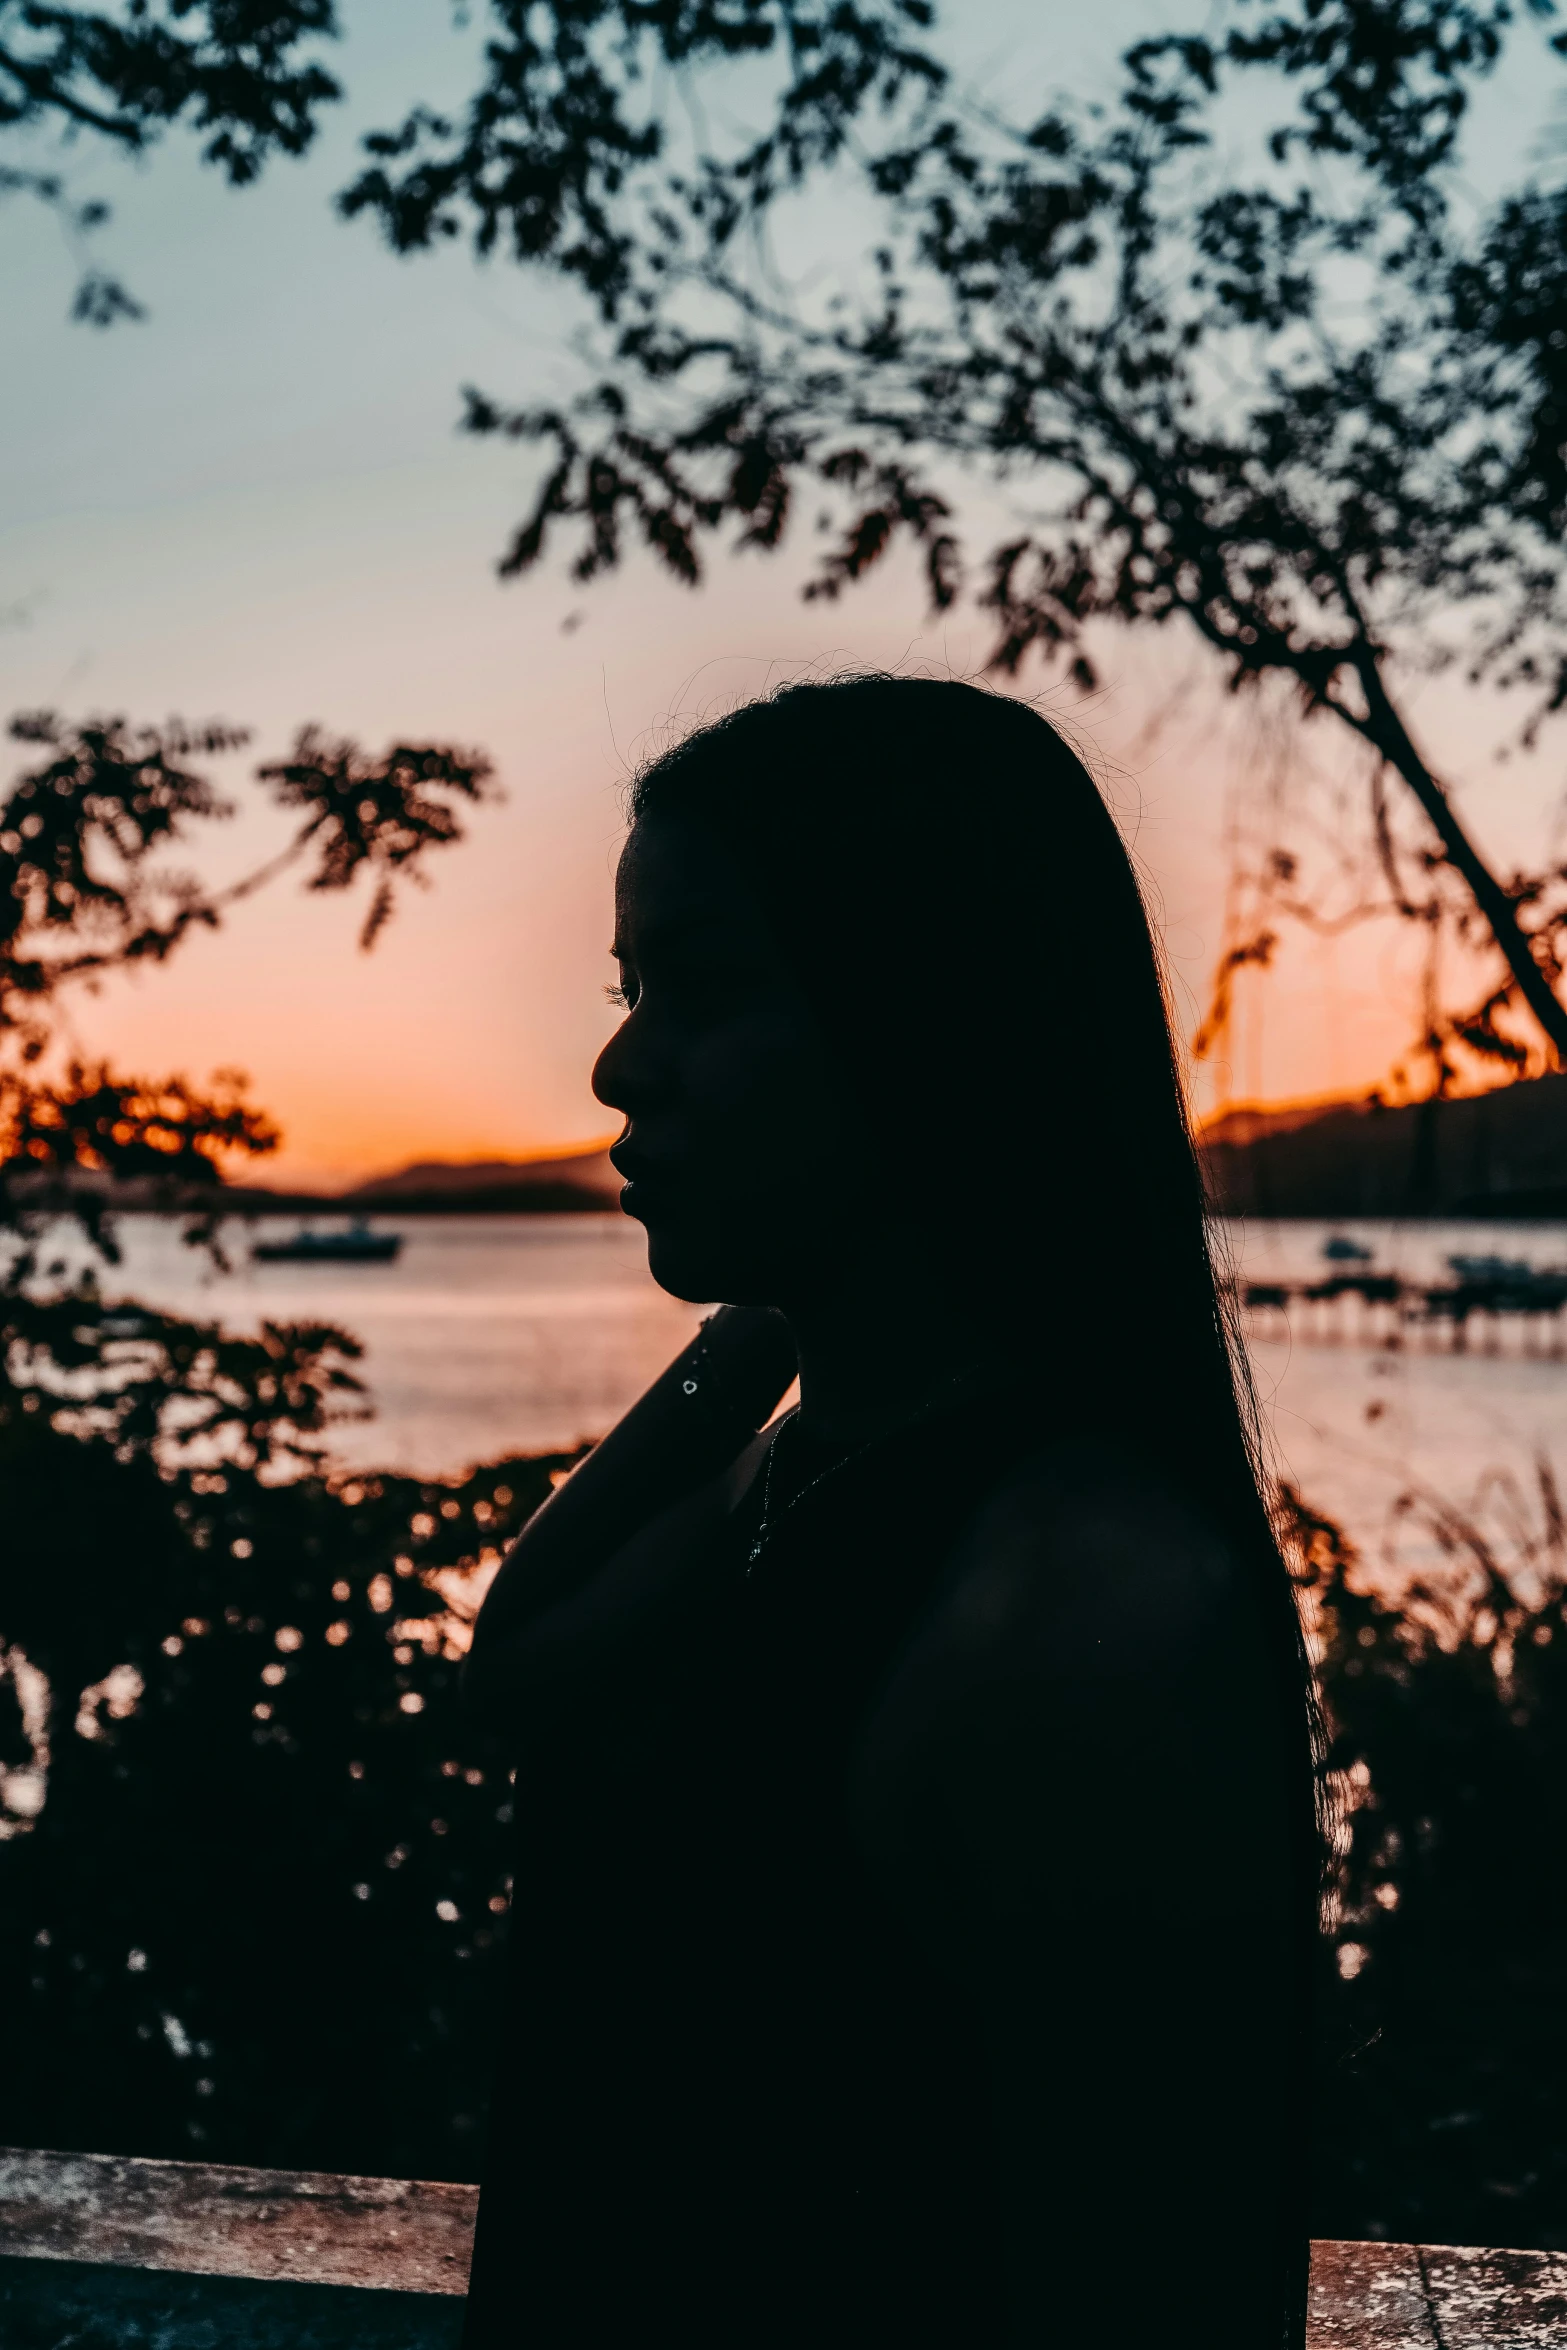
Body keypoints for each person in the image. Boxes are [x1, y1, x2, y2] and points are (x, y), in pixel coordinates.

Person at [459, 676, 1320, 2348]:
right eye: (634, 987)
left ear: (932, 1015)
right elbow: (515, 1670)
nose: (622, 1064)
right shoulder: (804, 1471)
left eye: (703, 987)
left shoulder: (1074, 1592)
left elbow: (1126, 2257)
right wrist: (780, 1317)